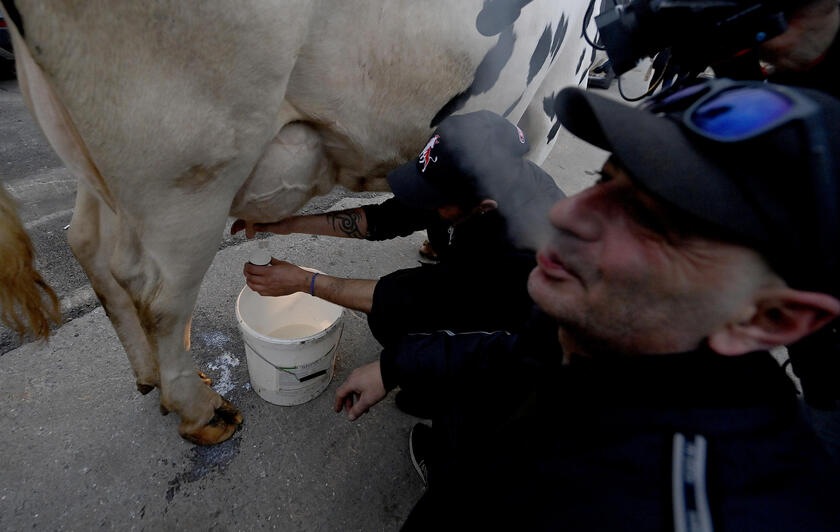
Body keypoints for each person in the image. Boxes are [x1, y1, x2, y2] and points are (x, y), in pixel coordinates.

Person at [333, 80, 840, 530]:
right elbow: (518, 356)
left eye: (651, 221)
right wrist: (394, 363)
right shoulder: (601, 323)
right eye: (606, 180)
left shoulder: (712, 508)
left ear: (765, 317)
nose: (571, 212)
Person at [233, 111, 561, 351]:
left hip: (519, 335)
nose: (422, 203)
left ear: (484, 207)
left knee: (394, 320)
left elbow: (408, 296)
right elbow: (383, 220)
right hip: (467, 279)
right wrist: (287, 224)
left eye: (433, 199)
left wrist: (305, 281)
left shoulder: (520, 251)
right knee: (392, 315)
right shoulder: (465, 187)